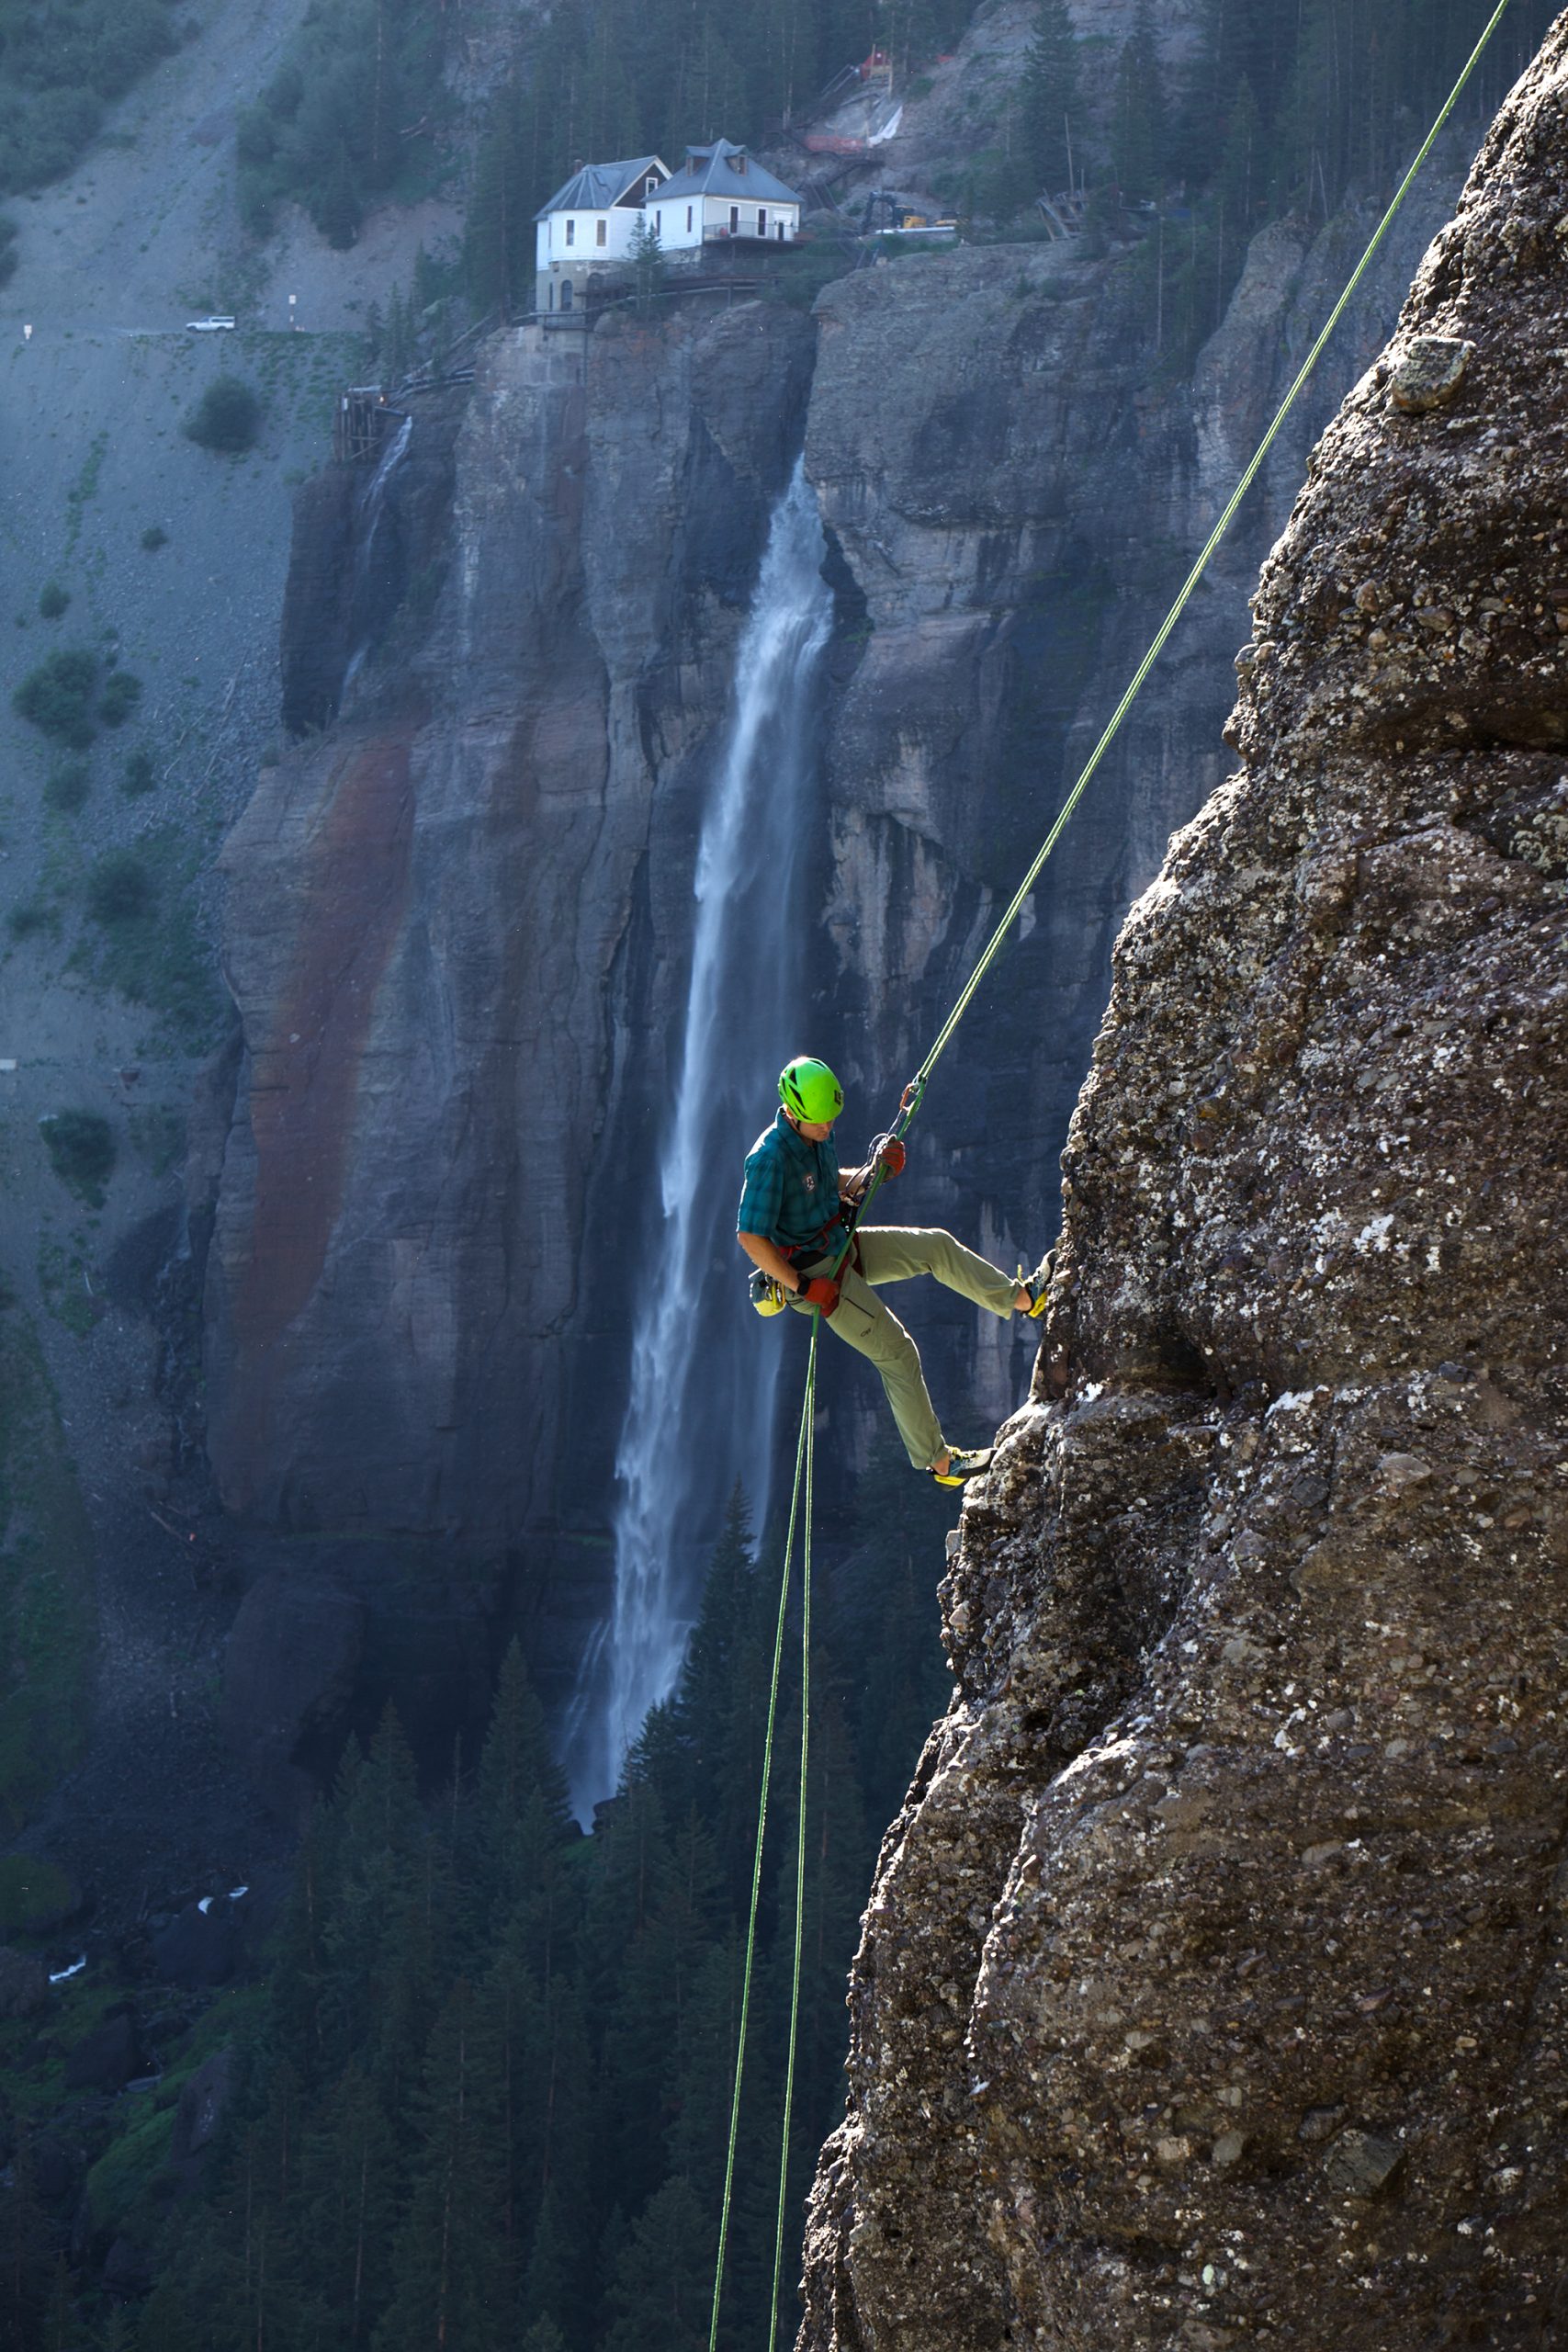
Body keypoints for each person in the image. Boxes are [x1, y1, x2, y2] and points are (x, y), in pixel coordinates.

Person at [736, 1056, 1051, 1487]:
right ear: (792, 1112)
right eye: (820, 1122)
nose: (828, 1128)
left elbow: (829, 1184)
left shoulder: (816, 1130)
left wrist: (872, 1174)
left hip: (840, 1245)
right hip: (815, 1275)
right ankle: (941, 1464)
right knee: (899, 1354)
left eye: (831, 1118)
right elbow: (751, 1237)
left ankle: (1025, 1298)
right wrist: (805, 1286)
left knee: (935, 1246)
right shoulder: (768, 1159)